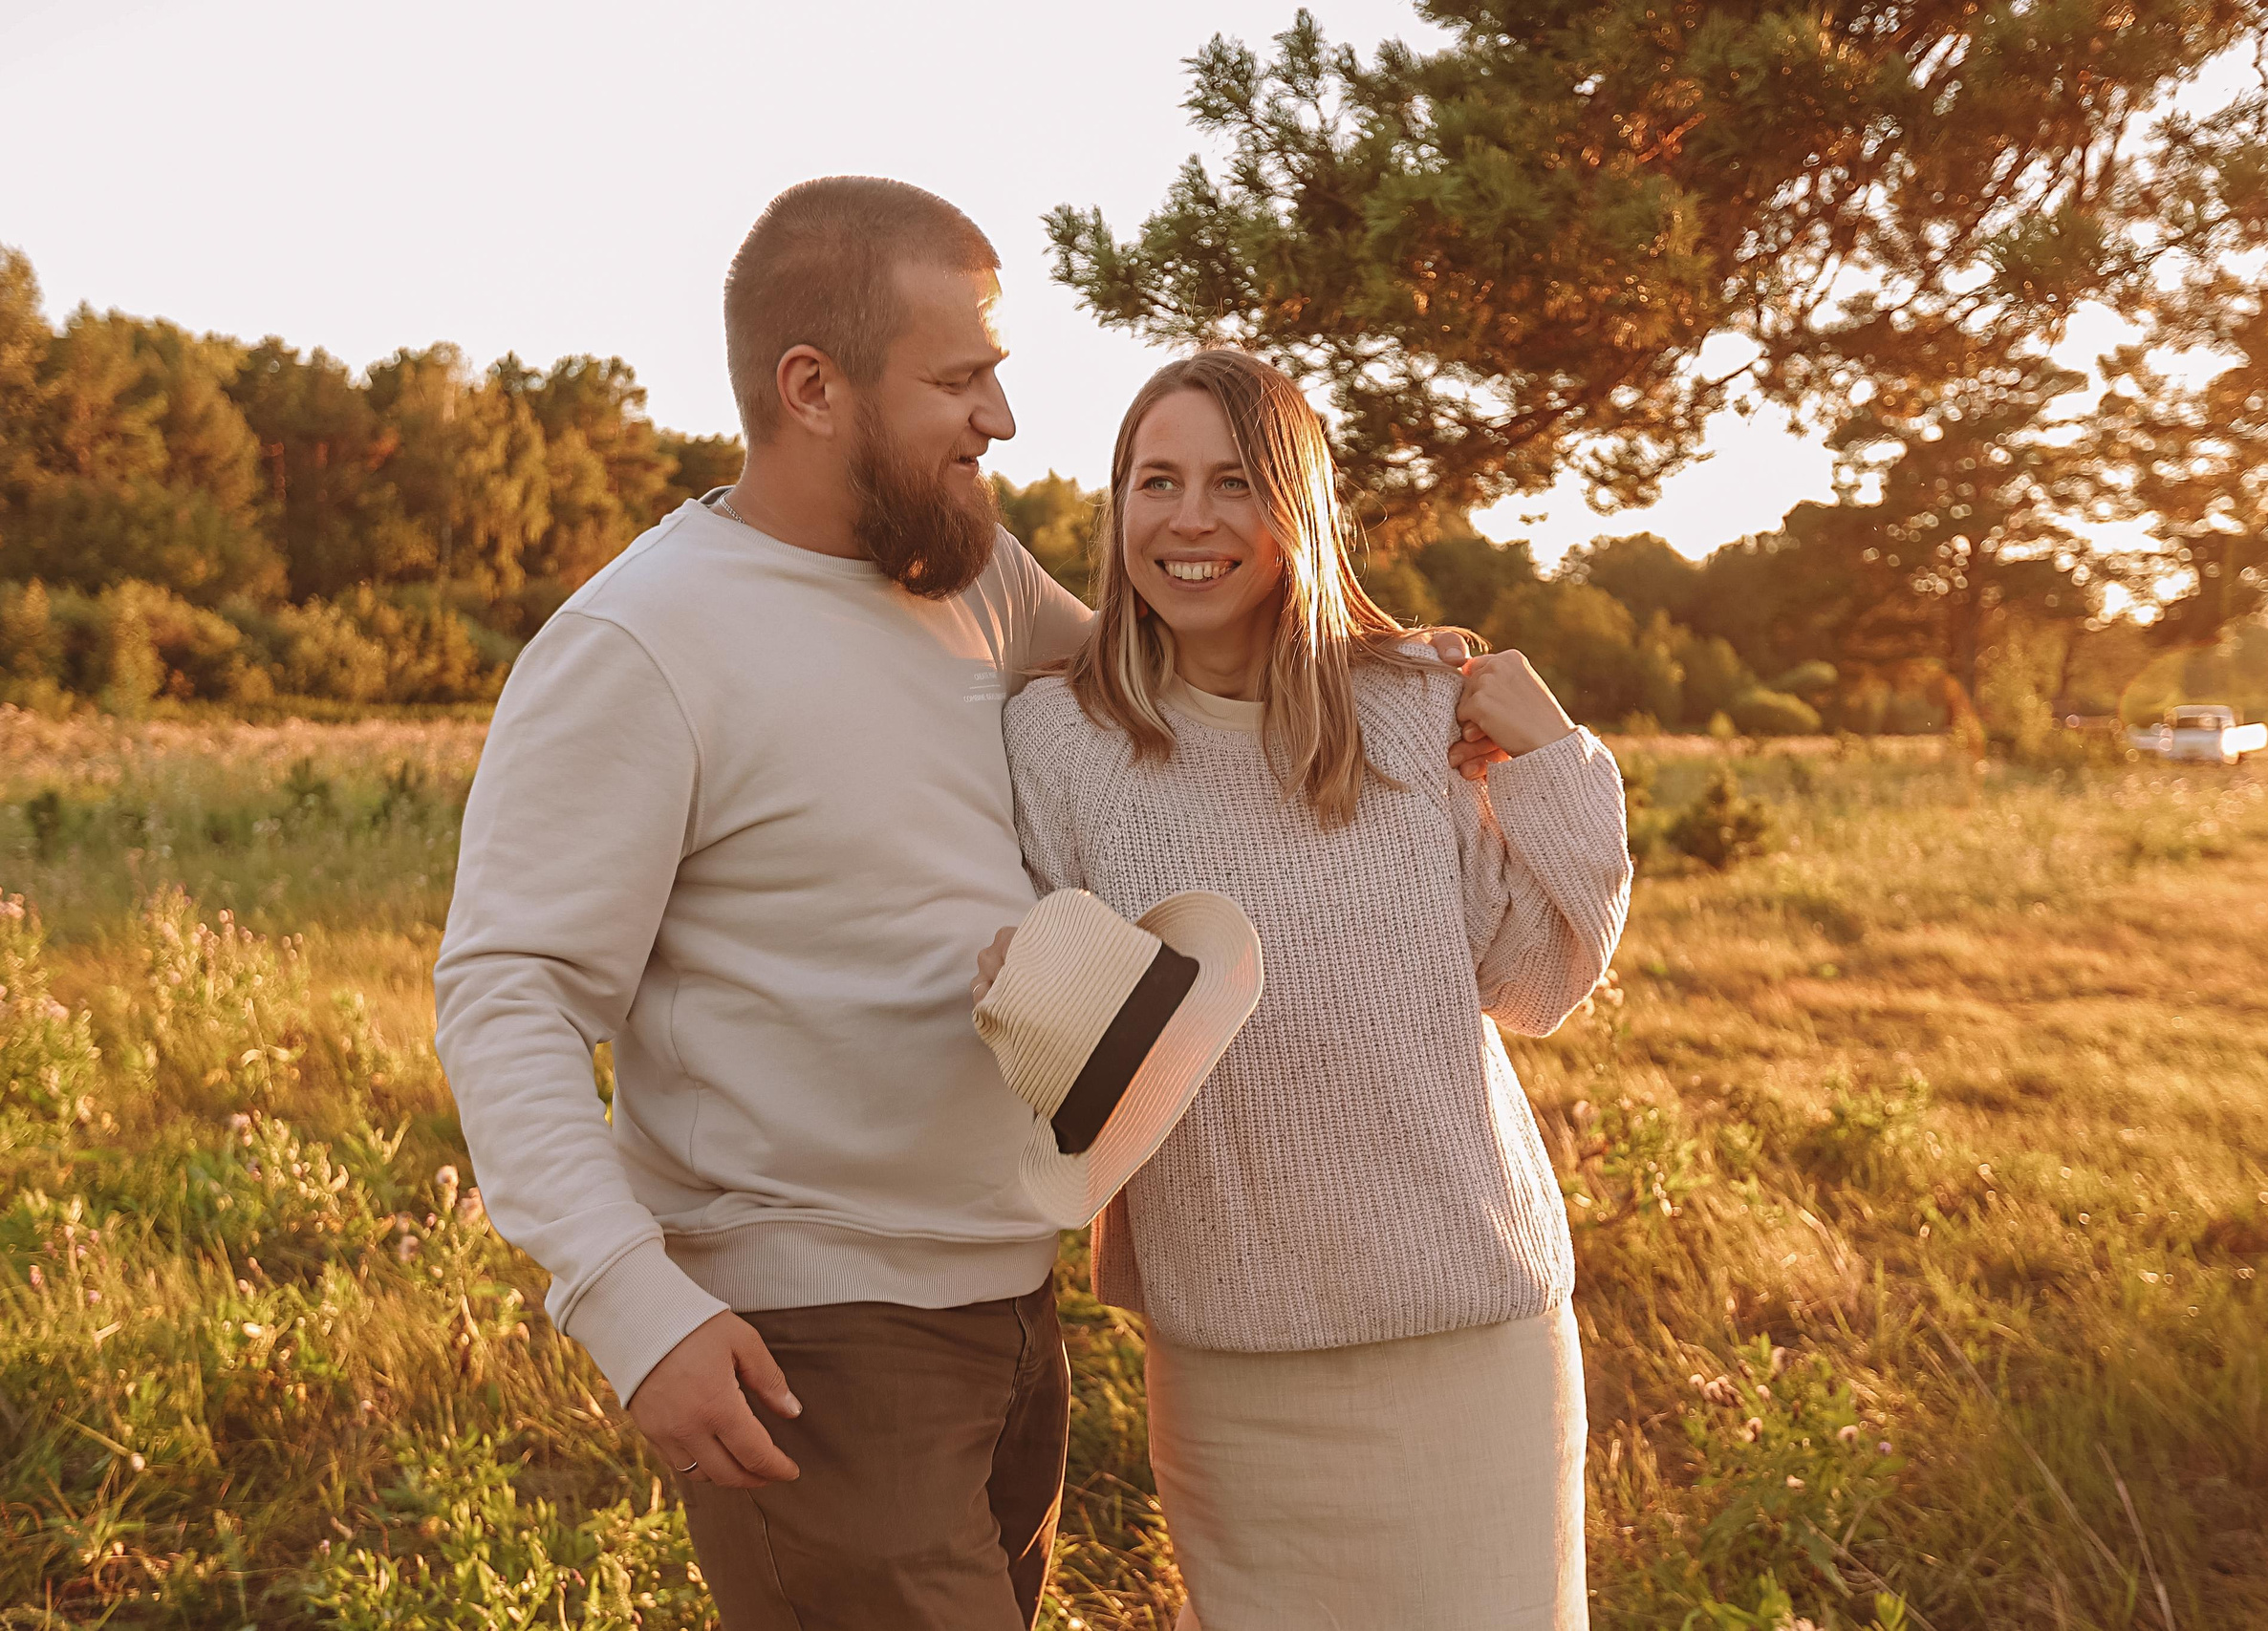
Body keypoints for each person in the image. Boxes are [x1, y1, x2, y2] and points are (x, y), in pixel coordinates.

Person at [434, 179, 1493, 1631]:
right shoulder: (642, 640)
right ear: (813, 388)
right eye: (960, 378)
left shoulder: (973, 576)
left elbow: (1179, 682)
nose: (999, 418)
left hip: (1005, 1311)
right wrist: (628, 1304)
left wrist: (1395, 675)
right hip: (810, 1340)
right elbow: (509, 992)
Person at [989, 349, 1634, 1630]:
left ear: (1298, 510)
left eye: (1234, 483)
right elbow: (1060, 1050)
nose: (1188, 519)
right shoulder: (1056, 740)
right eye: (1154, 481)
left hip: (1473, 1336)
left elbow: (1538, 980)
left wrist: (1554, 754)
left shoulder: (1403, 708)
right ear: (1115, 508)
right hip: (1234, 1355)